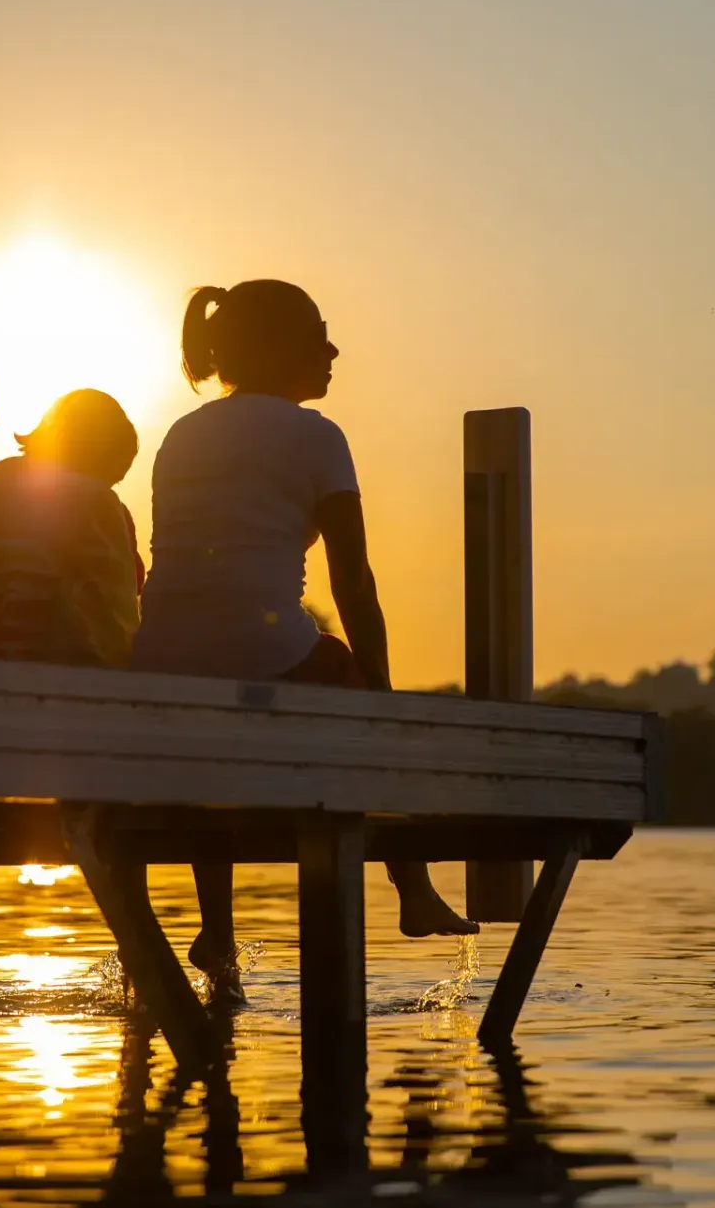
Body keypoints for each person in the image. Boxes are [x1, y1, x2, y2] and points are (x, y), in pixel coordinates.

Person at [132, 280, 478, 1001]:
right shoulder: (317, 435)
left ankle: (217, 928)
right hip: (264, 655)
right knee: (347, 680)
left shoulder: (181, 433)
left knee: (212, 754)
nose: (333, 349)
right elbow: (353, 581)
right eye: (319, 335)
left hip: (160, 660)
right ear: (276, 348)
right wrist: (377, 693)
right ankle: (411, 888)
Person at [0, 389, 145, 667]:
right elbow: (115, 628)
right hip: (58, 682)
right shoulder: (95, 500)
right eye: (109, 477)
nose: (109, 488)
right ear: (97, 455)